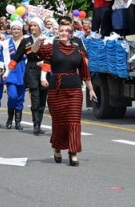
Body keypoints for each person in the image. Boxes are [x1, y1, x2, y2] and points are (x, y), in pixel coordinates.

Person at [31, 21, 97, 166]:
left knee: (74, 122)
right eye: (61, 30)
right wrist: (38, 41)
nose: (63, 33)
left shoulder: (78, 50)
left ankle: (73, 153)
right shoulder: (51, 48)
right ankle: (57, 148)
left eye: (67, 31)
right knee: (59, 122)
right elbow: (34, 51)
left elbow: (85, 73)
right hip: (57, 90)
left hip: (74, 90)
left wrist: (91, 89)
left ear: (71, 34)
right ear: (58, 32)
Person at [10, 17, 49, 135]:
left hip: (45, 70)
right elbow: (16, 57)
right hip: (31, 70)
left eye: (35, 25)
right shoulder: (25, 41)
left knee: (43, 99)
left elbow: (50, 58)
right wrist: (7, 72)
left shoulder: (47, 40)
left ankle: (39, 123)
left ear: (40, 27)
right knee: (35, 98)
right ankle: (35, 124)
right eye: (31, 26)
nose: (32, 28)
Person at [5, 20, 26, 130]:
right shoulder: (6, 43)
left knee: (20, 98)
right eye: (14, 29)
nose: (16, 31)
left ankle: (18, 121)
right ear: (11, 30)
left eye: (18, 29)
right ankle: (9, 118)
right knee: (12, 96)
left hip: (22, 70)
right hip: (11, 70)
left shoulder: (26, 42)